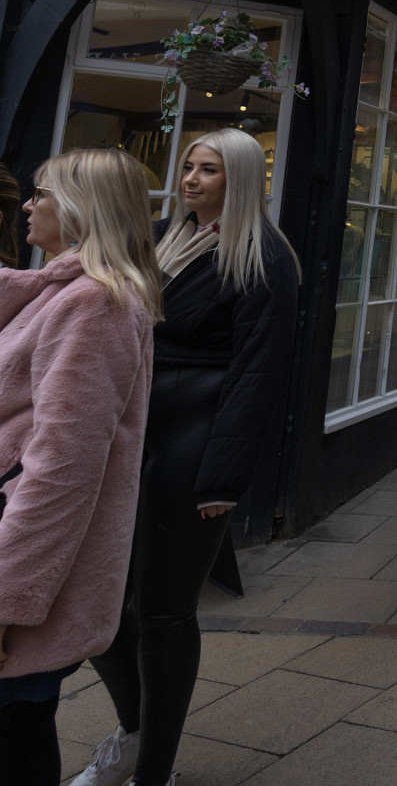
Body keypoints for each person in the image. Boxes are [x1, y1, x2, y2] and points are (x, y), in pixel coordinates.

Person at [76, 131, 298, 786]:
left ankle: (155, 772)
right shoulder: (161, 240)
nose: (192, 178)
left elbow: (258, 376)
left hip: (194, 445)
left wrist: (223, 478)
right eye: (188, 166)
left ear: (240, 179)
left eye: (209, 169)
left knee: (165, 611)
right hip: (132, 433)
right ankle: (134, 732)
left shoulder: (264, 260)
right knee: (97, 601)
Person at [0, 151, 158, 786]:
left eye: (42, 193)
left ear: (80, 209)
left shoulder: (96, 303)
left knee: (16, 726)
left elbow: (63, 470)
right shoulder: (63, 291)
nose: (28, 204)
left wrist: (7, 600)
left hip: (24, 563)